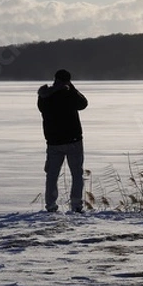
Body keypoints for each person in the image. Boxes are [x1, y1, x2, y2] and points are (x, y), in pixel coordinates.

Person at [37, 69, 88, 213]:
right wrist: (72, 88)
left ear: (54, 79)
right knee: (77, 174)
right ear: (68, 80)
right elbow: (83, 103)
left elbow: (41, 107)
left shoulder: (44, 96)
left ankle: (51, 205)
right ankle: (76, 205)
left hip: (53, 142)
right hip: (73, 140)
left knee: (52, 175)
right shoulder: (69, 94)